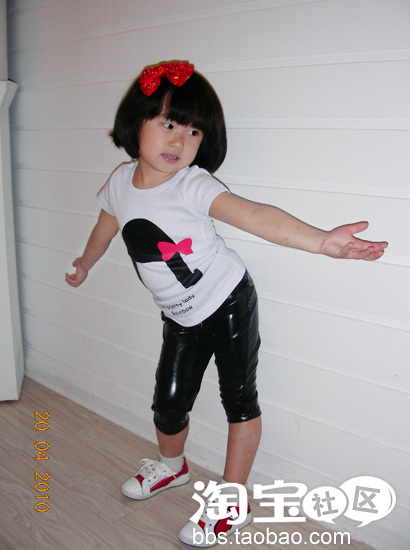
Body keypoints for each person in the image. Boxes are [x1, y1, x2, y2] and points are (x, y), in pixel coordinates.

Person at [65, 60, 388, 547]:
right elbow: (105, 228)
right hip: (179, 316)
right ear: (137, 121)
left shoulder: (192, 184)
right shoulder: (118, 182)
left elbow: (255, 216)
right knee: (168, 402)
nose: (180, 141)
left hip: (228, 300)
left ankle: (232, 502)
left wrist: (322, 241)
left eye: (193, 132)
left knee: (238, 398)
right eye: (169, 124)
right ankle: (172, 467)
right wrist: (85, 264)